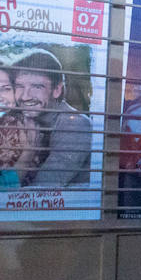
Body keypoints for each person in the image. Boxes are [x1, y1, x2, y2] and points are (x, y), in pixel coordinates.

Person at [12, 50, 93, 187]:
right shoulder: (25, 120)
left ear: (57, 90)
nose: (25, 96)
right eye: (19, 86)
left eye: (37, 87)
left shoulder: (75, 125)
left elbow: (42, 190)